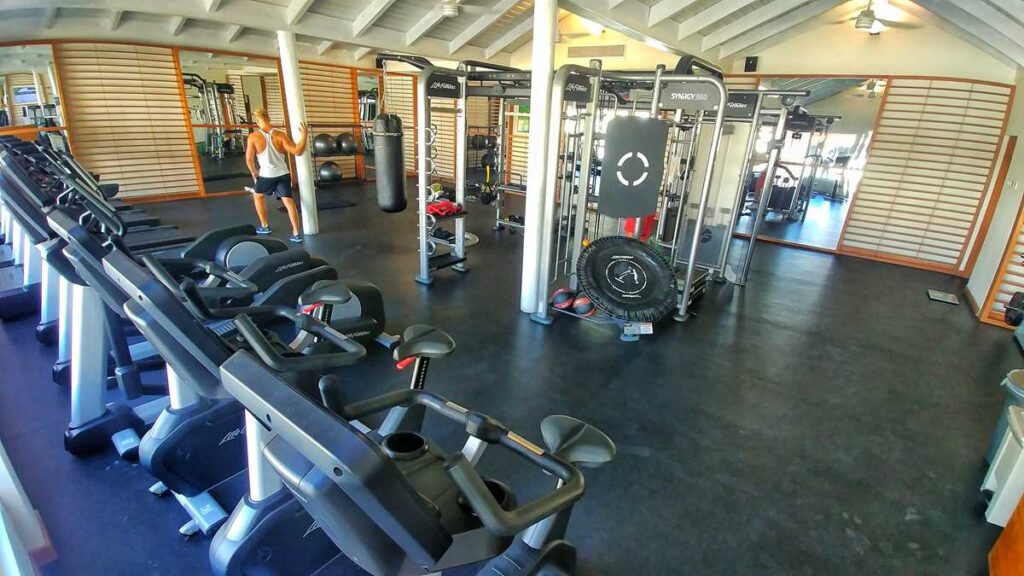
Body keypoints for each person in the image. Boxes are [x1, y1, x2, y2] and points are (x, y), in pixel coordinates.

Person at [245, 108, 309, 243]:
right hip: (283, 174)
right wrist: (304, 135)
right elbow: (297, 151)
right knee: (288, 201)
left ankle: (264, 226)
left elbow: (249, 159)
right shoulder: (280, 135)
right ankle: (296, 234)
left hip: (266, 176)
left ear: (257, 121)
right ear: (268, 119)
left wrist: (254, 172)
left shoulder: (253, 137)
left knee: (258, 196)